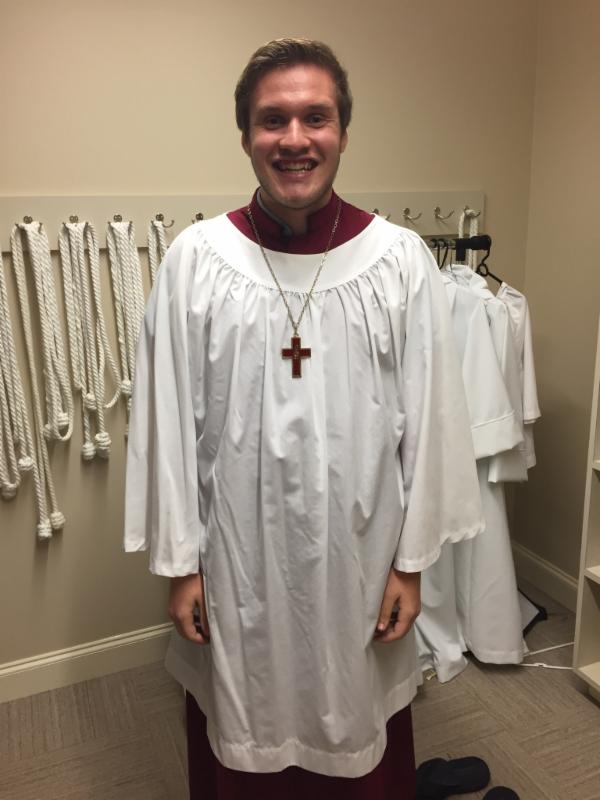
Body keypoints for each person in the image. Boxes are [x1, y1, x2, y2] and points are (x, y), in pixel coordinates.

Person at [124, 37, 483, 800]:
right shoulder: (195, 261)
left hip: (362, 559)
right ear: (245, 136)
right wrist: (182, 567)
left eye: (315, 117)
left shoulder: (399, 261)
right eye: (272, 120)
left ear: (343, 132)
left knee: (355, 729)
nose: (294, 139)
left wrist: (411, 567)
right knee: (242, 724)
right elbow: (163, 428)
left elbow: (434, 425)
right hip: (236, 562)